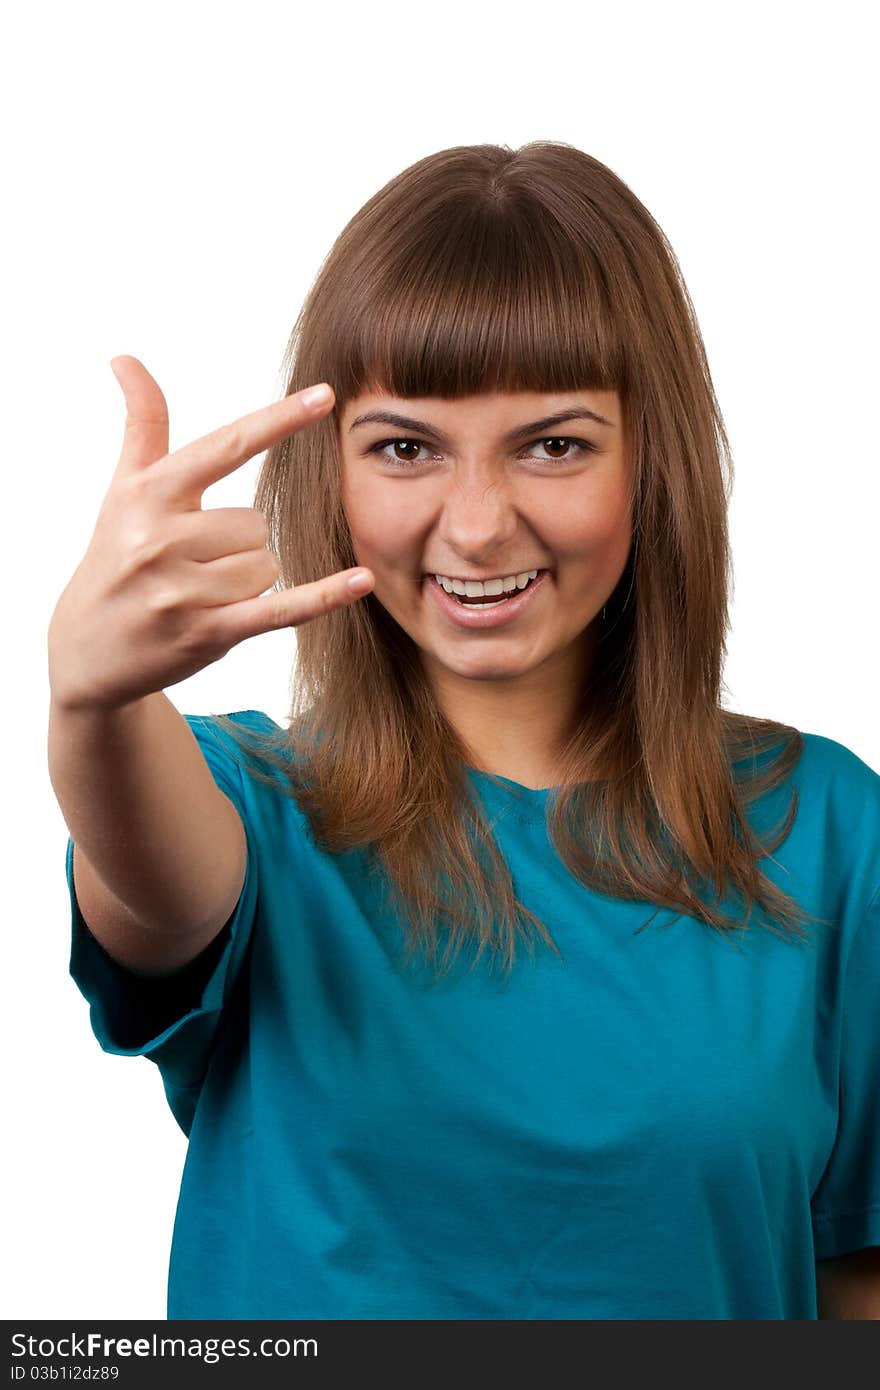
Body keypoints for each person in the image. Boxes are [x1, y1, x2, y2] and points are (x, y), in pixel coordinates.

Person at [47, 141, 880, 1321]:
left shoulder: (830, 828)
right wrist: (92, 695)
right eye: (404, 446)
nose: (479, 525)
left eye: (554, 444)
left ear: (654, 461)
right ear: (327, 473)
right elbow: (146, 872)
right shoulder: (250, 808)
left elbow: (856, 1281)